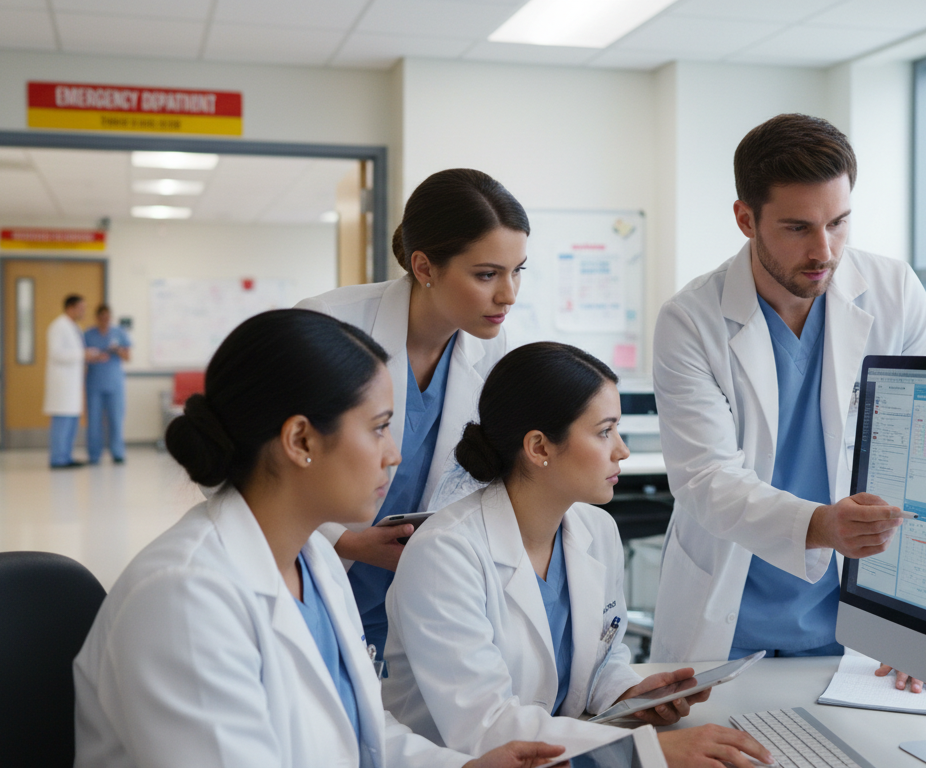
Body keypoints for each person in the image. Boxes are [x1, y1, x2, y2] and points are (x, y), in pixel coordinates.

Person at [72, 309, 564, 768]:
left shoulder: (314, 561)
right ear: (300, 440)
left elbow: (364, 734)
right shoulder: (184, 596)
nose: (394, 455)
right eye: (379, 429)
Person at [649, 113, 926, 693]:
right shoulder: (691, 320)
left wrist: (922, 618)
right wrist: (820, 524)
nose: (823, 250)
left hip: (860, 616)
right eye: (797, 228)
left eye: (838, 223)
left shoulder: (894, 293)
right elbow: (706, 479)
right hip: (731, 616)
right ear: (746, 219)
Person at [383, 342, 773, 767]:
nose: (622, 450)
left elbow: (600, 658)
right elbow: (488, 727)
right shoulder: (444, 554)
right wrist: (651, 751)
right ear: (539, 447)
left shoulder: (596, 530)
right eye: (605, 432)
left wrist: (626, 694)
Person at [297, 168, 527, 659]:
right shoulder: (329, 323)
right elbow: (249, 461)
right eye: (487, 275)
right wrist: (346, 542)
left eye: (517, 271)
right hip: (315, 569)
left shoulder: (491, 345)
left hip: (413, 583)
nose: (508, 294)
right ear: (424, 266)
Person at [45, 294, 99, 469]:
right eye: (81, 308)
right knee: (62, 422)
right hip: (62, 384)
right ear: (71, 308)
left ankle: (66, 456)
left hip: (72, 384)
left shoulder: (74, 327)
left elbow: (74, 353)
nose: (83, 312)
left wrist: (87, 356)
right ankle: (58, 459)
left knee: (72, 421)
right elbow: (56, 353)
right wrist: (83, 354)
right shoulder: (58, 326)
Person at [83, 304, 131, 464]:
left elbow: (128, 357)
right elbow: (83, 357)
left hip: (114, 383)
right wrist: (94, 357)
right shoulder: (88, 334)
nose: (105, 319)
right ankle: (94, 455)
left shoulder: (119, 333)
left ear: (111, 317)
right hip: (94, 384)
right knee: (94, 421)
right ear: (97, 317)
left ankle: (117, 453)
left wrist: (117, 350)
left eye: (107, 317)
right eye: (102, 317)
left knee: (116, 419)